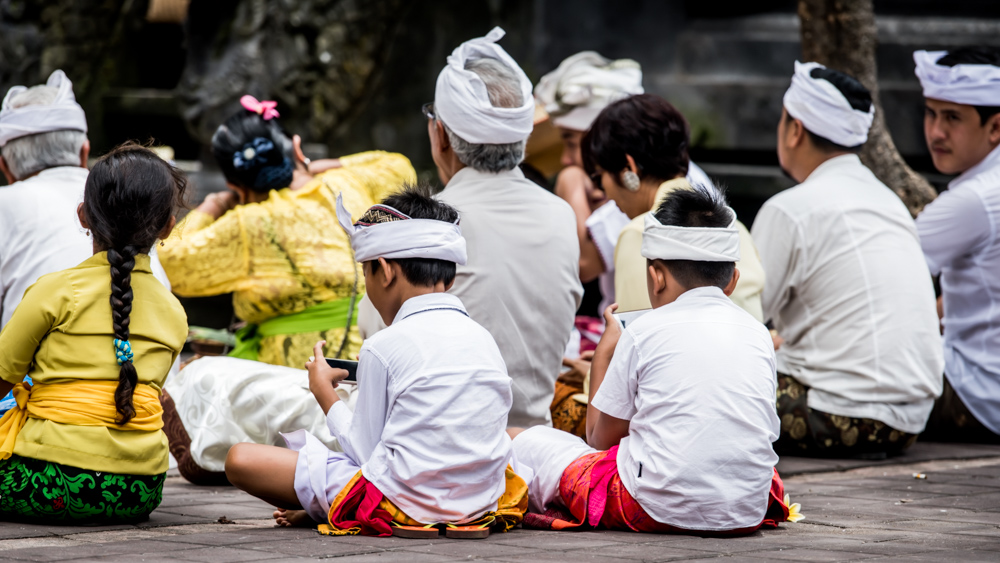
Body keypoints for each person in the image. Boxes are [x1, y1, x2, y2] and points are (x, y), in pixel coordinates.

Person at [224, 187, 528, 536]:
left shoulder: (382, 346)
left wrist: (324, 392)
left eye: (366, 273)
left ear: (384, 271)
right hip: (480, 501)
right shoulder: (484, 339)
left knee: (241, 459)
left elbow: (365, 454)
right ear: (450, 275)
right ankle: (325, 505)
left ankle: (332, 506)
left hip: (402, 503)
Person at [511, 187, 793, 535]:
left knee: (525, 441)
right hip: (746, 508)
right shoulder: (759, 335)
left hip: (652, 507)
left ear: (656, 276)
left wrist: (604, 354)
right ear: (733, 279)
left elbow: (599, 441)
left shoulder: (642, 331)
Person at [358, 28, 581, 428]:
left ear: (440, 135)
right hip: (535, 438)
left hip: (440, 439)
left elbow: (378, 333)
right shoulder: (561, 214)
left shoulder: (429, 227)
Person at [751, 62, 943, 457]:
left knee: (707, 378)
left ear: (795, 129)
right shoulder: (889, 202)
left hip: (835, 414)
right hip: (909, 424)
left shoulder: (789, 208)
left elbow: (742, 321)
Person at [0, 143, 187, 524]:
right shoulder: (174, 312)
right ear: (168, 225)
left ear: (83, 215)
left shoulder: (55, 291)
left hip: (48, 483)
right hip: (140, 490)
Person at [159, 96, 415, 369]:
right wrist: (308, 166)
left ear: (236, 187)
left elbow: (167, 261)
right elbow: (398, 166)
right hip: (379, 355)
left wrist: (214, 204)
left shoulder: (250, 222)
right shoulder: (345, 183)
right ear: (295, 146)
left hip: (303, 371)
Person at [0, 70, 174, 417]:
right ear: (84, 152)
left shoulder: (46, 287)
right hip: (146, 419)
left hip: (45, 421)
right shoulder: (128, 198)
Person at [582, 93, 766, 320]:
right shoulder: (736, 228)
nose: (603, 192)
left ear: (628, 168)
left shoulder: (643, 233)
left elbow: (636, 337)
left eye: (599, 178)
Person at [913, 47, 1000, 443]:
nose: (936, 132)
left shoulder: (974, 199)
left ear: (995, 127)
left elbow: (882, 282)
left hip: (978, 395)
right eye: (931, 113)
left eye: (952, 117)